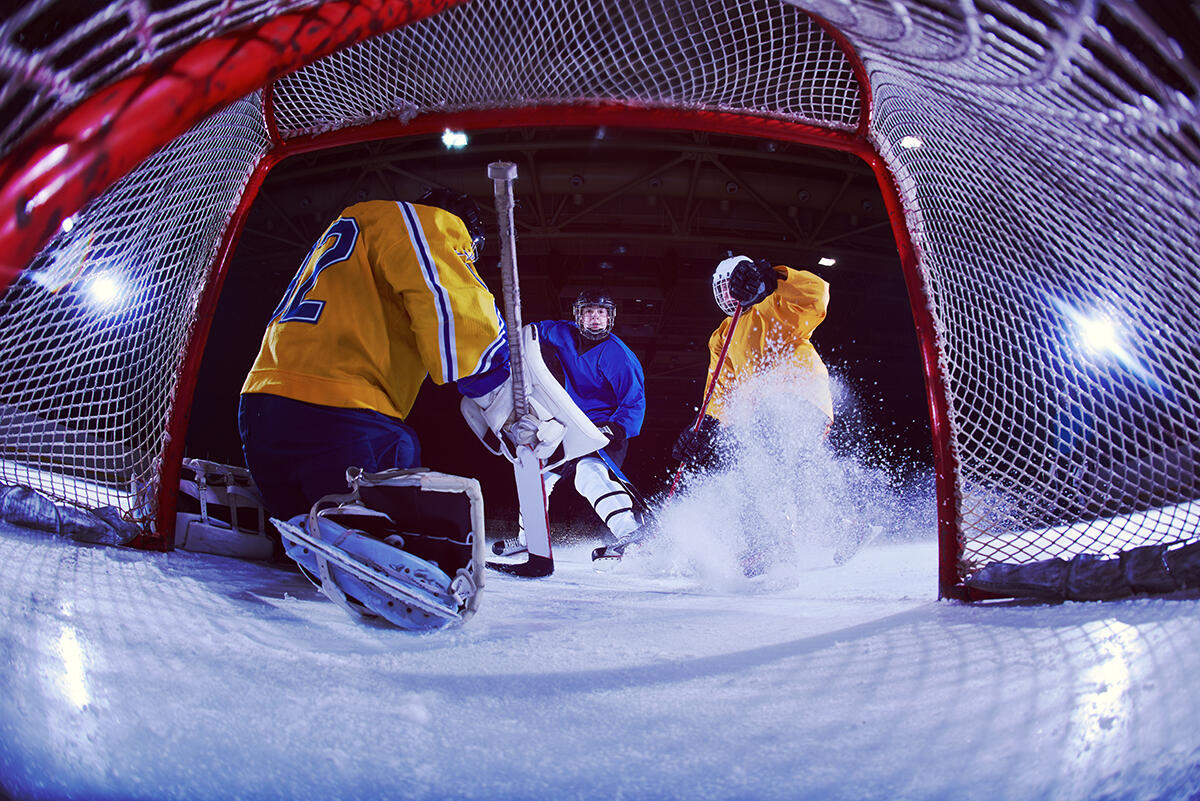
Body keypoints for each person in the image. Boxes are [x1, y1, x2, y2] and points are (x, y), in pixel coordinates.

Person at [238, 189, 518, 522]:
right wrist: (503, 393)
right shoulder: (427, 223)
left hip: (261, 408)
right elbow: (461, 319)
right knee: (391, 509)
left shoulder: (355, 225)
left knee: (310, 531)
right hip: (337, 414)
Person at [671, 254, 833, 575]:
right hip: (766, 413)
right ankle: (840, 526)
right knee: (786, 471)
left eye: (734, 286)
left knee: (756, 467)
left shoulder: (777, 305)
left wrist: (775, 278)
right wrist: (702, 427)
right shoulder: (722, 336)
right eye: (723, 290)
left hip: (798, 397)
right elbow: (720, 388)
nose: (729, 296)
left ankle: (768, 546)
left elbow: (817, 296)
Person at [492, 290, 647, 556]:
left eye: (601, 313)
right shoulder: (562, 332)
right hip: (568, 422)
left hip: (602, 427)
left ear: (610, 317)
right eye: (589, 312)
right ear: (579, 316)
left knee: (588, 473)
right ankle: (528, 538)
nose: (595, 318)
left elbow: (634, 401)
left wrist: (613, 429)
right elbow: (530, 332)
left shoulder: (619, 356)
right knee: (536, 474)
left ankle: (629, 534)